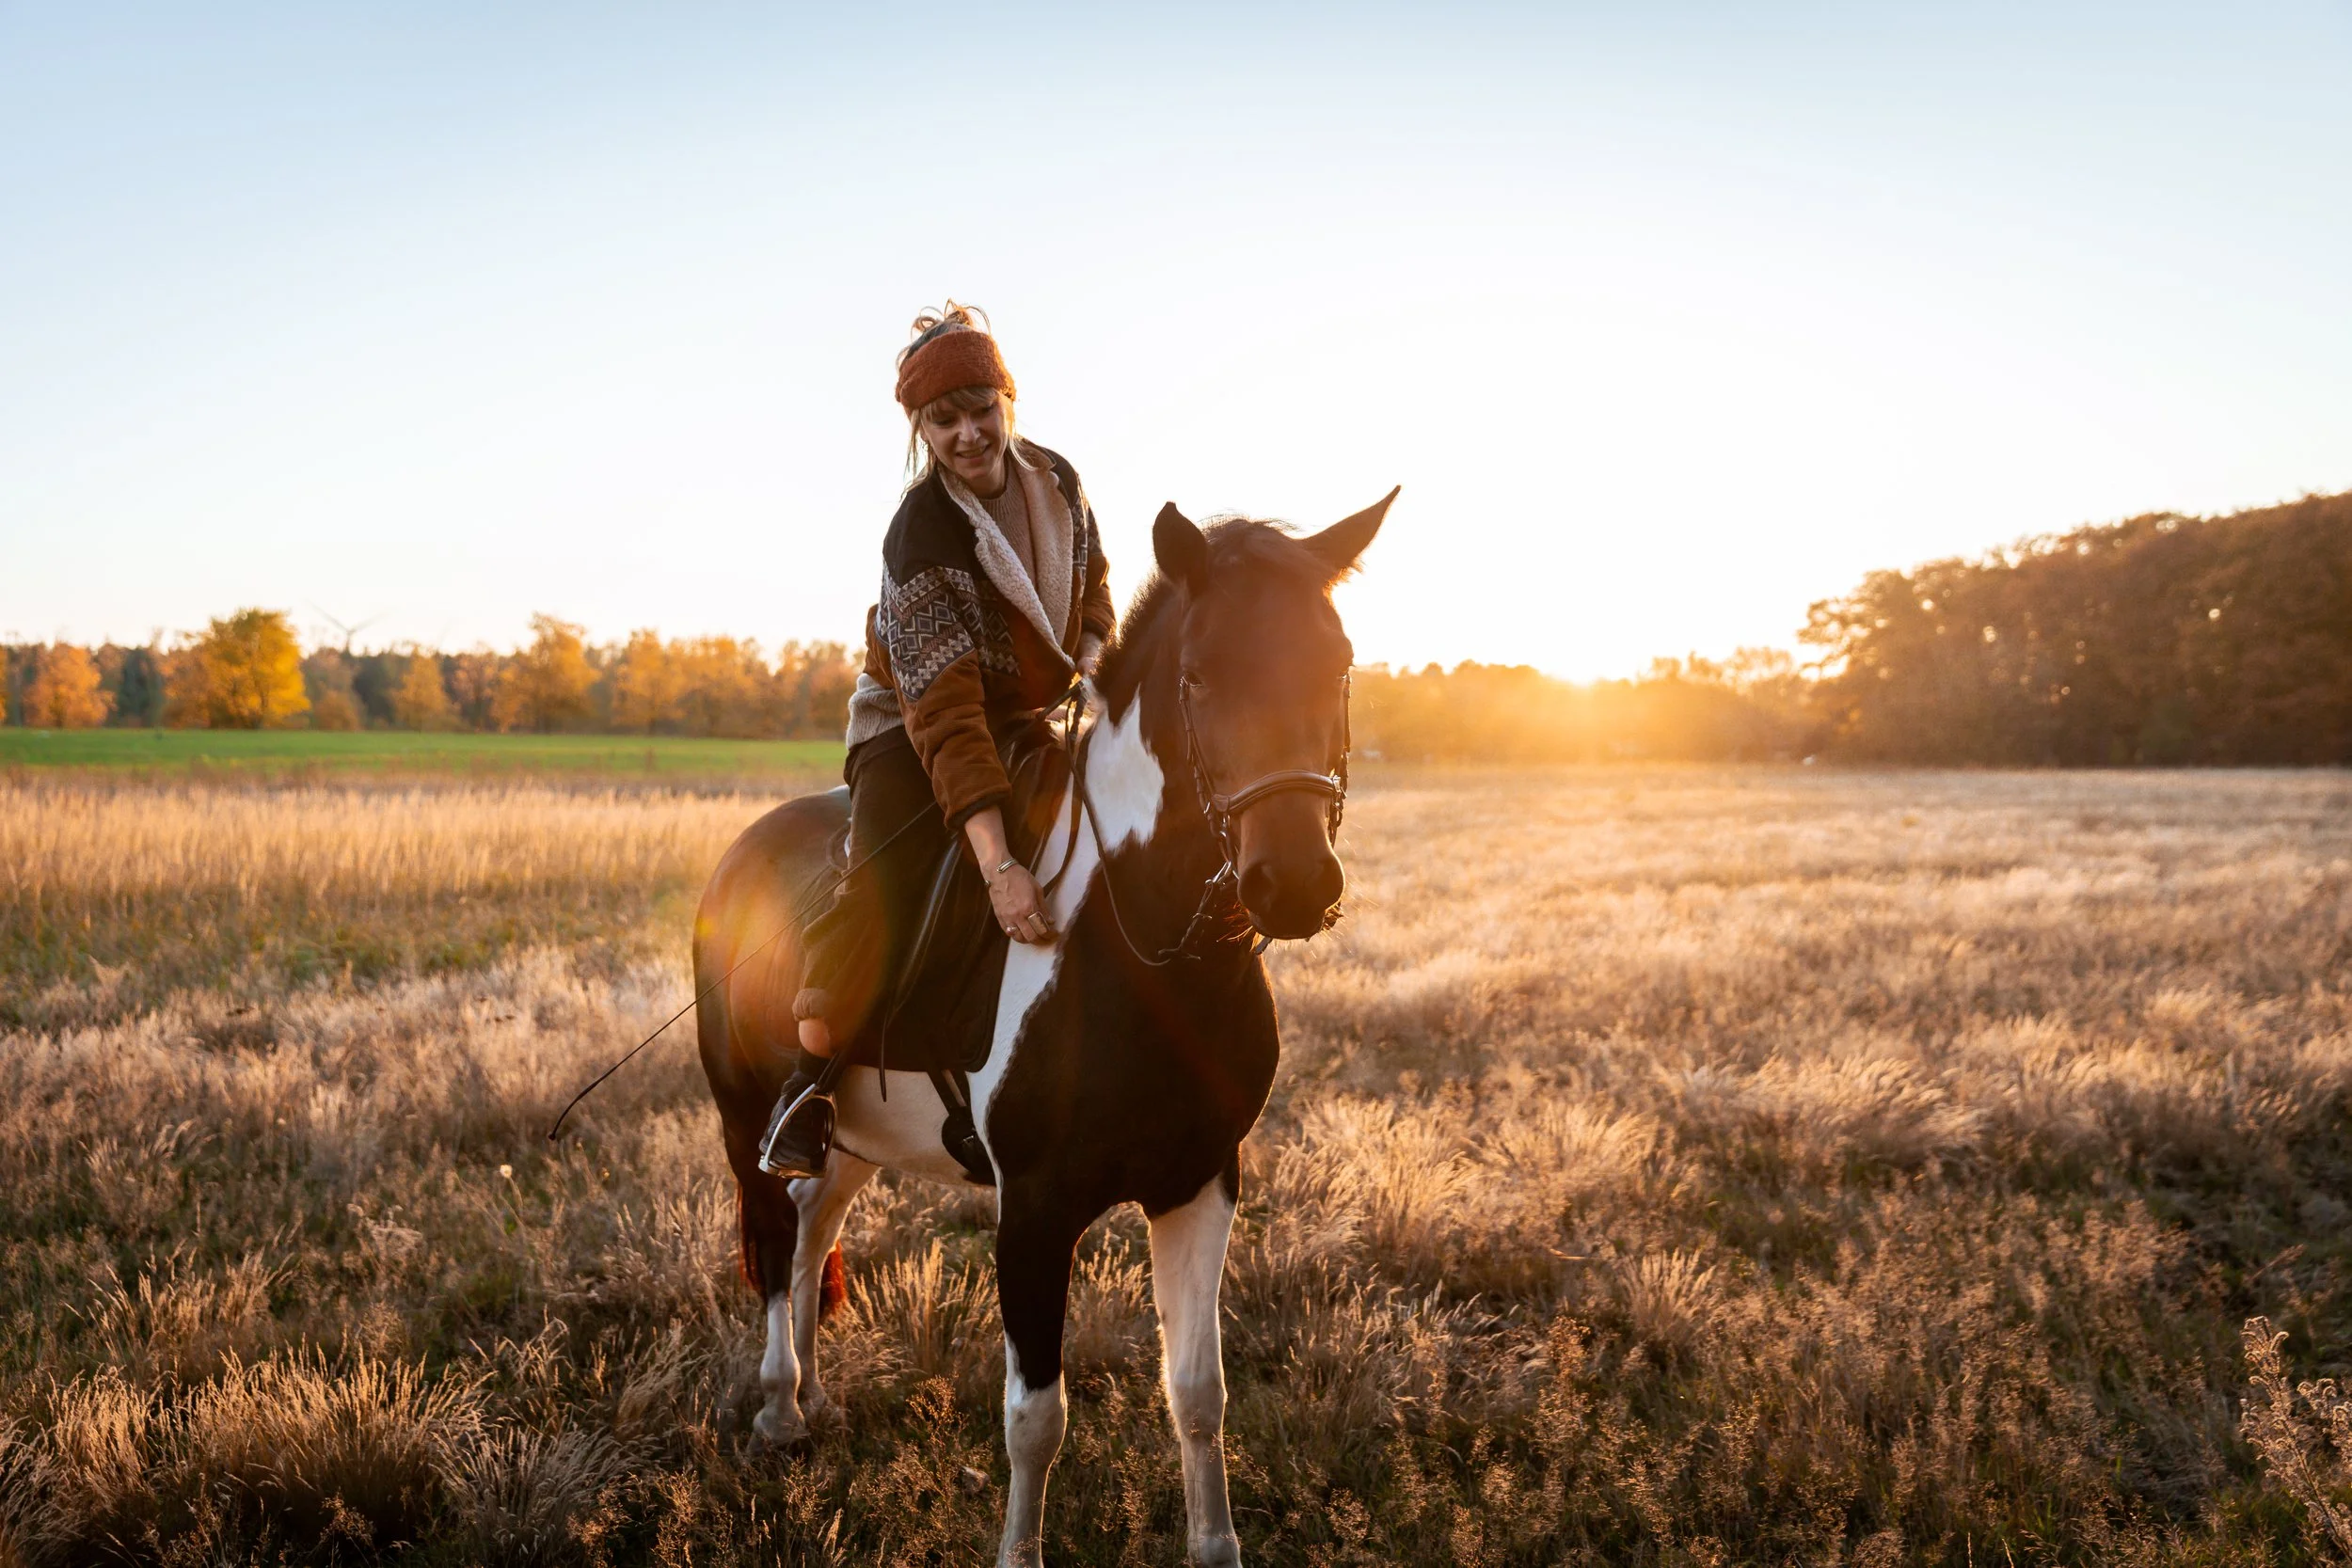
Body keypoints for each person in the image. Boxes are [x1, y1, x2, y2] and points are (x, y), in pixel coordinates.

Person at [760, 303, 1115, 1178]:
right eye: (944, 420)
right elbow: (950, 721)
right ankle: (808, 1085)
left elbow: (1096, 589)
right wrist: (998, 866)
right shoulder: (919, 530)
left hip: (1030, 716)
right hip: (912, 725)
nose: (968, 435)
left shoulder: (1060, 483)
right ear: (920, 429)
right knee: (883, 880)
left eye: (981, 409)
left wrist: (1095, 665)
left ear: (1009, 400)